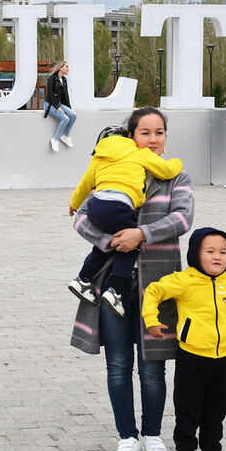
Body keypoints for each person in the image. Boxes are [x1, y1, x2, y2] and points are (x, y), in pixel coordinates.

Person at [70, 107, 194, 451]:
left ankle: (152, 435)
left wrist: (143, 234)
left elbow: (183, 218)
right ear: (131, 137)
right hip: (113, 284)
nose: (154, 140)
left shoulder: (176, 177)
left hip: (160, 284)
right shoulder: (113, 167)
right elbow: (81, 217)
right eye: (145, 133)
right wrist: (113, 241)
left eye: (160, 133)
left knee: (153, 366)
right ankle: (127, 437)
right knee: (119, 364)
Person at [142, 227, 226, 451]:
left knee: (215, 413)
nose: (218, 256)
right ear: (196, 254)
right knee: (188, 414)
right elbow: (152, 291)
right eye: (210, 251)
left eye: (223, 252)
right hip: (192, 360)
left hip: (224, 360)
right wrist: (152, 321)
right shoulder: (183, 281)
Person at [67, 126, 183, 318]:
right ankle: (116, 290)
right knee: (131, 244)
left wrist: (74, 203)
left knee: (110, 244)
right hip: (119, 205)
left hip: (97, 206)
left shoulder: (98, 158)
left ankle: (83, 279)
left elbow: (85, 184)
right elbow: (167, 171)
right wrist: (177, 162)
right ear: (130, 137)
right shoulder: (138, 152)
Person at [43, 61, 76, 152]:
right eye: (66, 66)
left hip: (58, 104)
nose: (68, 68)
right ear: (60, 68)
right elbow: (49, 95)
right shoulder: (51, 79)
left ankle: (65, 136)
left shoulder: (64, 80)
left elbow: (66, 96)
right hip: (49, 104)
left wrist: (69, 108)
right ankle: (55, 139)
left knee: (73, 115)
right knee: (65, 118)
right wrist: (57, 107)